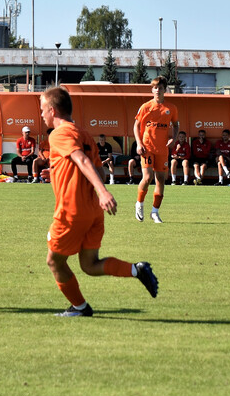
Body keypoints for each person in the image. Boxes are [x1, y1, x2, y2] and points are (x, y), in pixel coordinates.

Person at [39, 86, 158, 317]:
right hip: (93, 212)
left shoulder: (59, 134)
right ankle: (137, 270)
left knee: (54, 262)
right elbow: (97, 171)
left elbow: (82, 161)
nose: (42, 114)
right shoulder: (84, 134)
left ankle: (80, 308)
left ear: (52, 110)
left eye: (43, 109)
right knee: (89, 265)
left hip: (71, 211)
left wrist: (103, 192)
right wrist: (57, 173)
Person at [133, 76, 178, 224]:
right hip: (147, 147)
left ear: (165, 90)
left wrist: (174, 138)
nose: (157, 90)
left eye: (160, 88)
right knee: (147, 177)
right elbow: (136, 126)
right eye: (155, 88)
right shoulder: (146, 106)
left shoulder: (171, 108)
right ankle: (139, 203)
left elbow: (176, 125)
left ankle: (155, 212)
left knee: (161, 180)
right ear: (152, 90)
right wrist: (139, 144)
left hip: (162, 149)